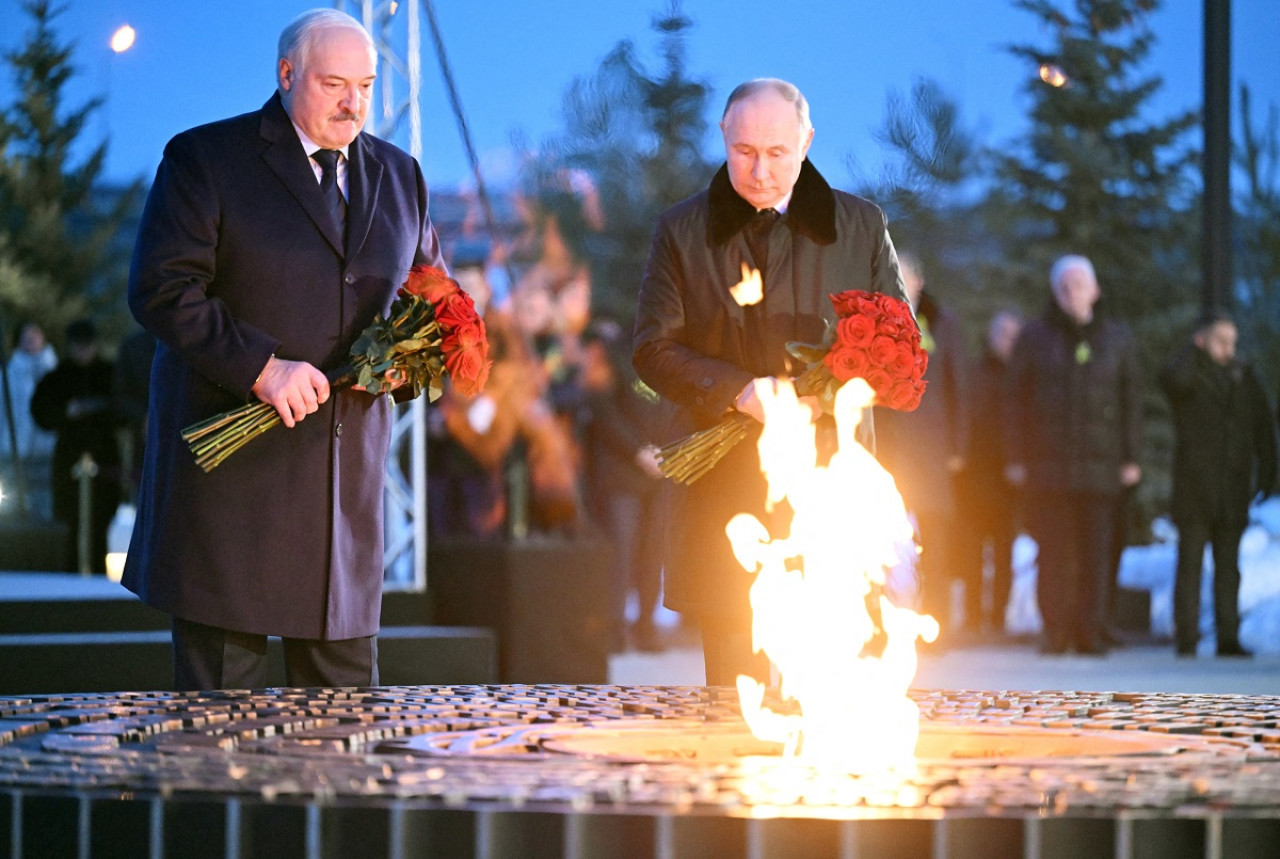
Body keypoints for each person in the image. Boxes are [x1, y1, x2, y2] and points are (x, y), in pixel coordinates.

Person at [124, 8, 444, 691]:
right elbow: (160, 288)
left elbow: (432, 303)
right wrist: (262, 367)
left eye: (365, 84)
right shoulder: (206, 160)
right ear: (286, 73)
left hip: (343, 513)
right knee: (217, 746)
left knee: (344, 746)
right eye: (334, 83)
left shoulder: (401, 176)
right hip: (231, 501)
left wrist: (413, 361)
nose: (354, 102)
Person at [633, 78, 909, 686]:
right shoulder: (683, 230)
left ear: (807, 142)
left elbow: (899, 342)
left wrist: (836, 384)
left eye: (777, 153)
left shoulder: (859, 226)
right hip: (725, 499)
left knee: (832, 694)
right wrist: (739, 391)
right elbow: (651, 349)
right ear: (724, 138)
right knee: (737, 695)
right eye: (744, 152)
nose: (759, 171)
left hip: (830, 490)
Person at [1004, 255, 1142, 656]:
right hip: (1048, 467)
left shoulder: (1117, 337)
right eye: (1065, 285)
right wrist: (1016, 456)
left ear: (1095, 290)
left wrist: (1130, 458)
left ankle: (1090, 629)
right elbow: (1015, 400)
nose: (1073, 292)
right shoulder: (1034, 337)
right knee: (1054, 552)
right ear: (1055, 291)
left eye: (1080, 284)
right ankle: (1056, 630)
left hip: (1101, 467)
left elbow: (1131, 399)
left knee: (1096, 553)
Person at [1160, 310, 1276, 658]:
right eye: (1221, 340)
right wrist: (1193, 351)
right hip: (1194, 488)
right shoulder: (1189, 375)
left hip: (1233, 486)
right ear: (1203, 341)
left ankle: (1229, 636)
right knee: (1190, 564)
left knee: (1229, 567)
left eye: (1232, 341)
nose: (1229, 348)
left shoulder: (1244, 377)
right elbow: (1169, 379)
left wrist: (1269, 472)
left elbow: (1263, 428)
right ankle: (1187, 637)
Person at [873, 251, 968, 640]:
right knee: (877, 541)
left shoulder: (942, 324)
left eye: (904, 275)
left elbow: (959, 388)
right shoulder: (872, 321)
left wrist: (958, 446)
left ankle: (935, 627)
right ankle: (878, 628)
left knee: (934, 541)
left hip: (931, 449)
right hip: (887, 449)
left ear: (919, 281)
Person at [29, 318, 122, 572]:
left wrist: (98, 410)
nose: (83, 351)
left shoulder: (109, 373)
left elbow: (124, 410)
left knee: (101, 518)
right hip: (69, 455)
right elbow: (41, 412)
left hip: (103, 455)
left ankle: (98, 572)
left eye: (87, 345)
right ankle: (70, 571)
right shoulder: (57, 377)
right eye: (78, 346)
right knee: (70, 518)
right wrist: (66, 412)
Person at [952, 310, 1023, 639]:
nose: (1008, 340)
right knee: (972, 548)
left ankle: (998, 618)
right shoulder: (975, 372)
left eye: (1013, 333)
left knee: (1005, 549)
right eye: (1002, 332)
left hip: (1010, 478)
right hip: (977, 475)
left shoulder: (1023, 375)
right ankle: (972, 616)